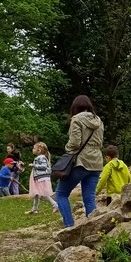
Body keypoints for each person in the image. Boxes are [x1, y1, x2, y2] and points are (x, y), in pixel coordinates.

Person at [55, 95, 105, 228]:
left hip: (81, 162)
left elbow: (75, 143)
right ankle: (94, 229)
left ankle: (69, 227)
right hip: (96, 163)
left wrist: (67, 149)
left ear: (75, 107)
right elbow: (100, 143)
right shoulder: (99, 121)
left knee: (61, 194)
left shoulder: (76, 119)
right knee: (89, 197)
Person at [26, 142, 58, 215]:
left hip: (41, 178)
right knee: (37, 194)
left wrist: (34, 165)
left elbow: (44, 166)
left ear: (39, 150)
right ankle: (35, 209)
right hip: (39, 178)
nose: (33, 149)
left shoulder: (41, 158)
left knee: (43, 194)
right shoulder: (40, 157)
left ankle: (55, 205)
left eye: (34, 148)